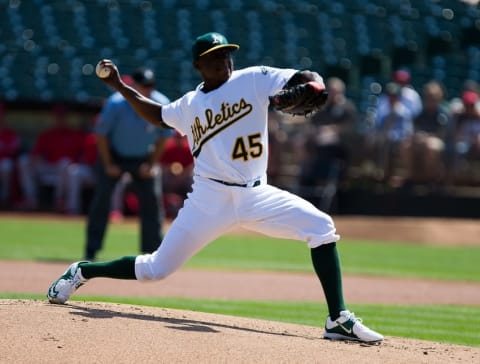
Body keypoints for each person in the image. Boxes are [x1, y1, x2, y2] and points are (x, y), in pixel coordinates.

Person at [47, 32, 383, 343]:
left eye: (225, 54)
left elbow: (307, 79)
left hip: (257, 194)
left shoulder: (254, 78)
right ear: (197, 65)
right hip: (209, 199)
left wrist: (314, 85)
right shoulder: (190, 104)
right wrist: (119, 84)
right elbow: (156, 114)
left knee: (321, 227)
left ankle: (337, 319)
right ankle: (82, 270)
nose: (222, 61)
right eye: (213, 57)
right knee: (156, 269)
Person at [83, 67, 172, 260]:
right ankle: (91, 250)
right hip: (114, 155)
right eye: (144, 86)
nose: (148, 90)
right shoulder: (116, 103)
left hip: (144, 157)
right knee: (101, 202)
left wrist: (152, 164)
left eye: (151, 86)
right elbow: (101, 136)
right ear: (134, 85)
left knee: (152, 203)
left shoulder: (161, 103)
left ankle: (152, 254)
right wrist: (108, 164)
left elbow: (164, 138)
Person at [17, 104, 84, 211]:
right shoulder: (47, 134)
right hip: (49, 167)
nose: (60, 119)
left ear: (67, 118)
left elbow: (83, 155)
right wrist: (37, 159)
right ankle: (31, 198)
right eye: (57, 116)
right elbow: (35, 154)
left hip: (66, 170)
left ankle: (59, 199)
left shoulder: (75, 134)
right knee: (23, 161)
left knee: (65, 163)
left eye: (62, 116)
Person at [0, 102, 21, 209]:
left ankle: (4, 199)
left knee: (6, 165)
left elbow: (14, 150)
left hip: (5, 165)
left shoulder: (10, 133)